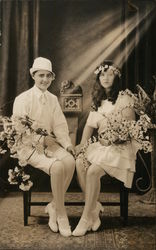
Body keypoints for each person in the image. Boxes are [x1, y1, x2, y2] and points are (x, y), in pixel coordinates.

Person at [72, 60, 138, 236]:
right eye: (102, 74)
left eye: (110, 74)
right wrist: (82, 144)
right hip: (102, 145)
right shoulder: (98, 100)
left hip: (120, 148)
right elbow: (89, 126)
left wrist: (115, 138)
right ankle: (94, 210)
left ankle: (86, 218)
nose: (106, 78)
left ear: (116, 76)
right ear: (98, 78)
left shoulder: (125, 98)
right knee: (79, 161)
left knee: (93, 171)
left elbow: (130, 129)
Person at [13, 57, 75, 237]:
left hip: (49, 144)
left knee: (70, 161)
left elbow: (60, 126)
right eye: (41, 75)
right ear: (33, 75)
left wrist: (68, 145)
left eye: (48, 76)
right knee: (57, 167)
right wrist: (41, 140)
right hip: (29, 148)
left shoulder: (53, 99)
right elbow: (19, 130)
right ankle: (62, 215)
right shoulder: (22, 99)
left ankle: (54, 206)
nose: (45, 80)